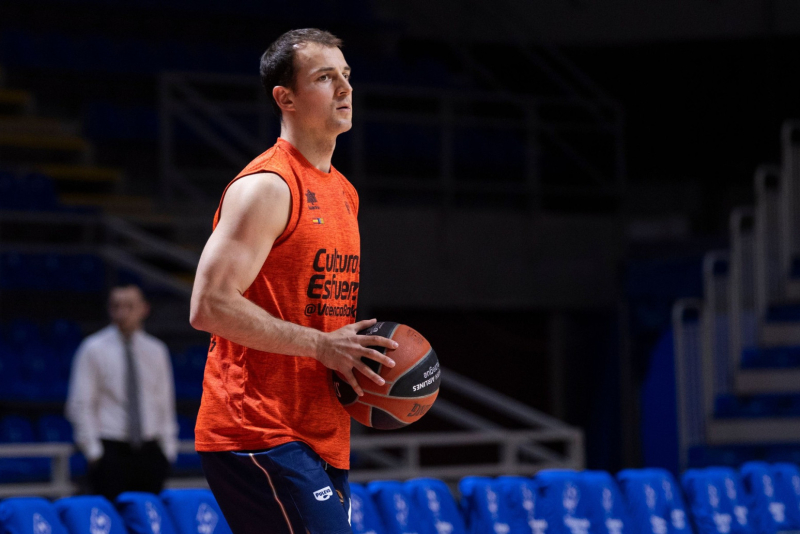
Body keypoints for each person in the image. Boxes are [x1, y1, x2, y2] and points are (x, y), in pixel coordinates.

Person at [189, 28, 397, 534]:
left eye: (346, 75)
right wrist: (322, 345)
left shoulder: (344, 193)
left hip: (322, 428)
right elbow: (209, 305)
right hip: (257, 428)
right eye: (325, 78)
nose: (345, 88)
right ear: (285, 98)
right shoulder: (267, 186)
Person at [66, 284, 178, 501]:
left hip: (150, 449)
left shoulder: (156, 350)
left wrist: (168, 450)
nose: (122, 312)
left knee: (149, 516)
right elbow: (80, 403)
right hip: (110, 449)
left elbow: (164, 402)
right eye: (116, 306)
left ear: (144, 309)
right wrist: (94, 452)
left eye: (129, 306)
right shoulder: (93, 348)